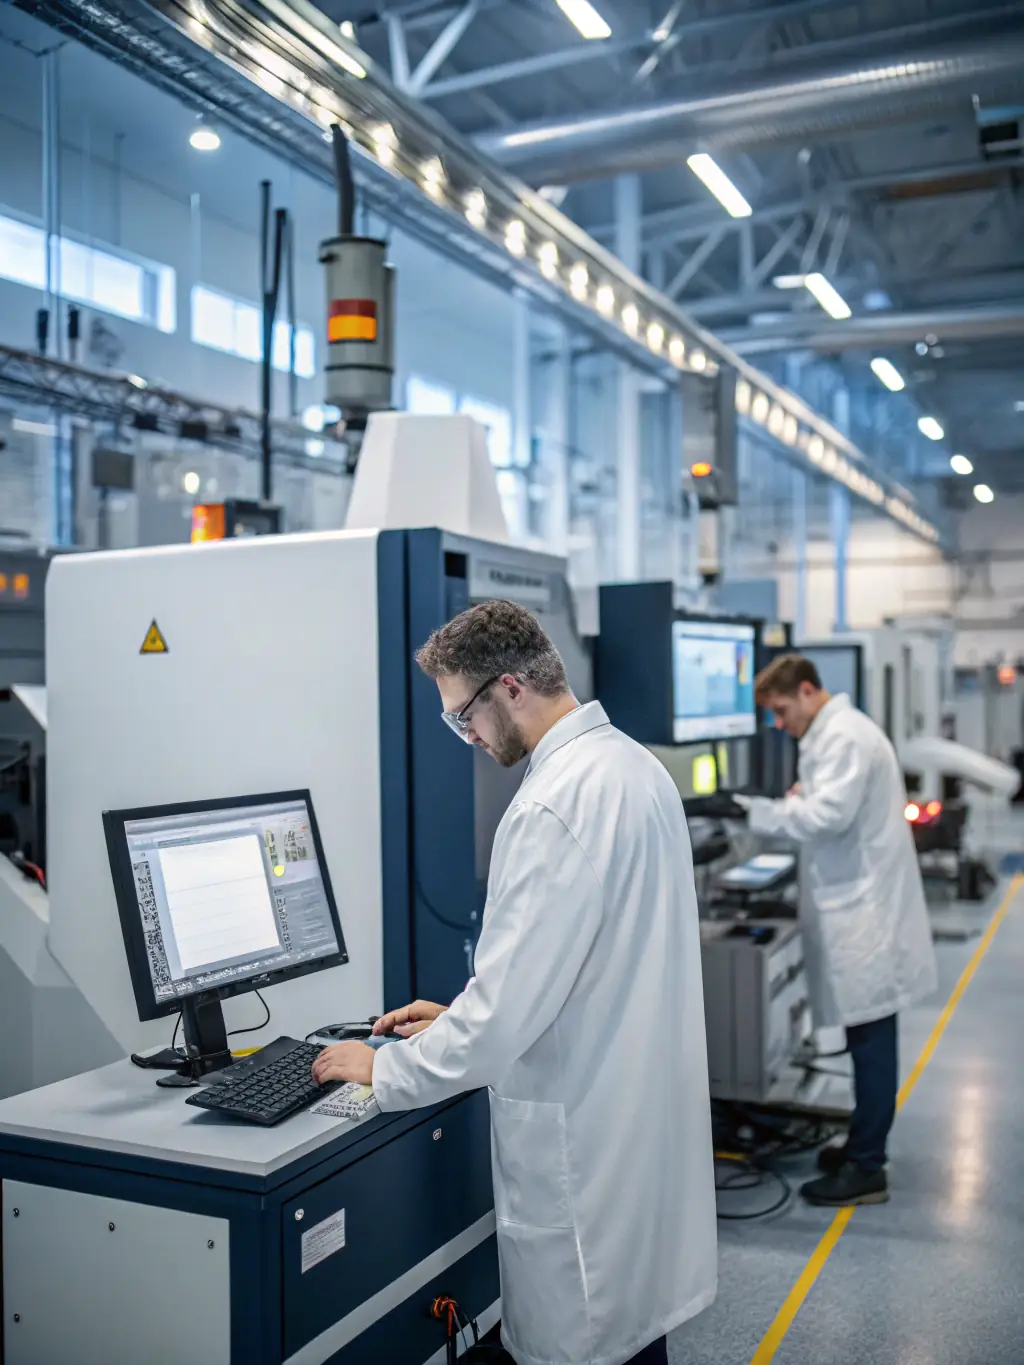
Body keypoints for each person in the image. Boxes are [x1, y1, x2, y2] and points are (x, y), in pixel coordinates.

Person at [313, 599, 717, 1365]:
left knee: (594, 1337)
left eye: (463, 714)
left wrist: (385, 1064)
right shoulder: (633, 767)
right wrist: (464, 1011)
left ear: (508, 688)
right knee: (632, 1338)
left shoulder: (549, 806)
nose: (464, 735)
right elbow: (580, 966)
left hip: (588, 1163)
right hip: (632, 1137)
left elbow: (500, 1026)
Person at [738, 654, 937, 1208]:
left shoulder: (845, 737)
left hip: (867, 914)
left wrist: (750, 810)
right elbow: (823, 804)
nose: (779, 724)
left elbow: (828, 817)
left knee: (871, 1039)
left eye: (781, 711)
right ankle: (861, 1145)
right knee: (862, 1035)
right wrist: (793, 803)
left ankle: (868, 1165)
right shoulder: (830, 734)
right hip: (856, 904)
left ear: (807, 691)